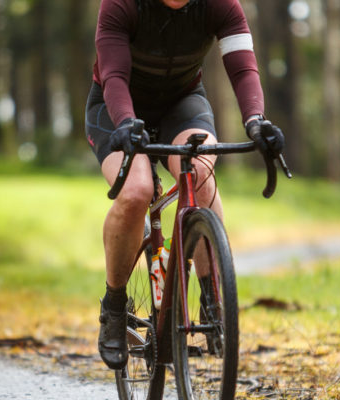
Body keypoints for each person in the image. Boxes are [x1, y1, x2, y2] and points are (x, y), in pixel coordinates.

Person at [85, 0, 285, 370]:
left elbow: (243, 69)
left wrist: (256, 120)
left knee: (201, 172)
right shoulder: (121, 4)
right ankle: (114, 306)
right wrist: (127, 122)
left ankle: (212, 297)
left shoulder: (221, 5)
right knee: (137, 190)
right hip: (117, 107)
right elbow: (114, 76)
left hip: (182, 102)